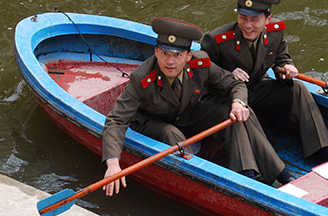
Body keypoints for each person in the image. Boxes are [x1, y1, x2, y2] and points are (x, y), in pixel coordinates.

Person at [101, 17, 292, 196]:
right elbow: (117, 120)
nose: (170, 61)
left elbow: (234, 84)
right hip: (154, 122)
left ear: (188, 55)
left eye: (177, 55)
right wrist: (113, 163)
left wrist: (237, 102)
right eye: (164, 53)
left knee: (240, 112)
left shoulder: (200, 64)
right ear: (156, 52)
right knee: (171, 134)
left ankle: (262, 174)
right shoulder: (141, 78)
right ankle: (200, 176)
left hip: (187, 114)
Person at [200, 0, 328, 162]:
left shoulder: (276, 32)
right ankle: (258, 164)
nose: (247, 25)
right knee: (243, 112)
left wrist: (286, 68)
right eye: (243, 18)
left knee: (298, 88)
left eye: (254, 20)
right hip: (227, 99)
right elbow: (201, 75)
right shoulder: (216, 40)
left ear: (268, 19)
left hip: (257, 90)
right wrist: (227, 73)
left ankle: (322, 149)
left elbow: (281, 58)